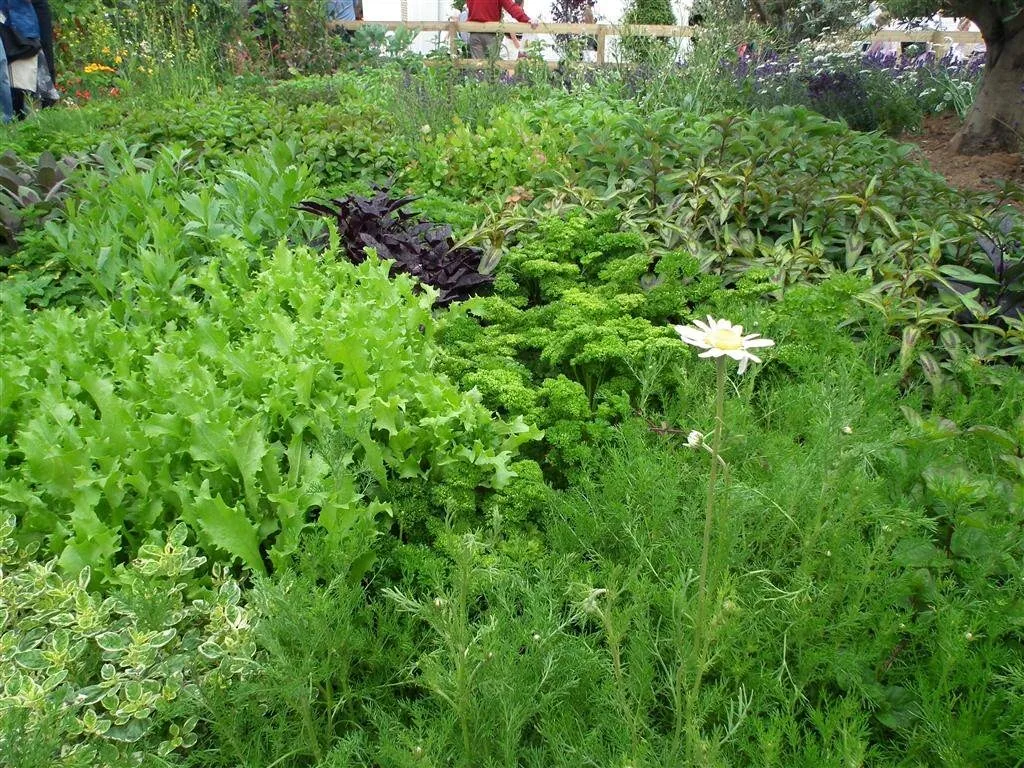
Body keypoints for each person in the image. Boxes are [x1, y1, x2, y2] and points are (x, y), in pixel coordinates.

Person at [465, 0, 538, 60]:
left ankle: (478, 76)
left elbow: (469, 6)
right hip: (491, 33)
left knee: (477, 66)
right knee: (493, 67)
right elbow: (511, 7)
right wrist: (526, 19)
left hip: (474, 32)